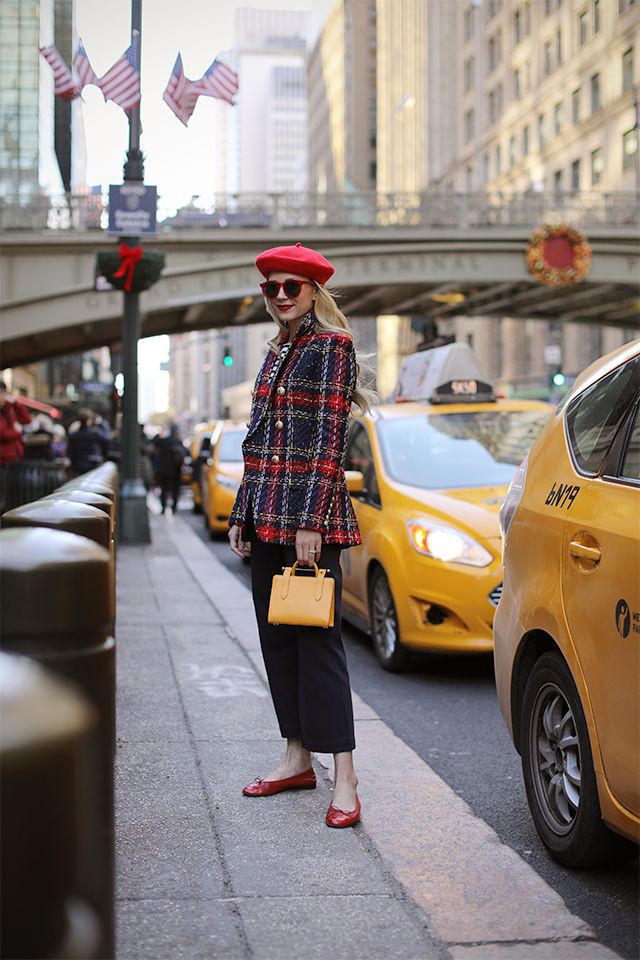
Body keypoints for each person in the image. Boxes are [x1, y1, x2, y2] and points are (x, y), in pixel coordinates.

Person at [228, 242, 371, 829]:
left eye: (292, 287)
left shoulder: (332, 348)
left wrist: (311, 520)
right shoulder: (274, 354)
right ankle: (296, 758)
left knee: (320, 645)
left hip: (309, 522)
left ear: (314, 291)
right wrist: (242, 509)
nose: (282, 296)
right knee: (277, 641)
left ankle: (346, 778)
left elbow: (328, 441)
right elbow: (256, 439)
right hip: (265, 516)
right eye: (273, 288)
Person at [154, 424, 185, 514]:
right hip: (176, 471)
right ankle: (174, 508)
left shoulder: (164, 441)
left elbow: (154, 441)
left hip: (165, 470)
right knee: (175, 490)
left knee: (164, 489)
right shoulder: (178, 441)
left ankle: (163, 508)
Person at [67, 412, 110, 477]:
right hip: (93, 463)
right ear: (88, 421)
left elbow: (70, 451)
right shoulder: (95, 433)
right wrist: (101, 424)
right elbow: (107, 440)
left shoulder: (74, 435)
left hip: (78, 465)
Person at [0, 381, 31, 464]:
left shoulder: (8, 408)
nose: (3, 397)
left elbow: (26, 420)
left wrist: (15, 403)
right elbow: (2, 433)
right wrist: (18, 432)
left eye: (4, 393)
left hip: (15, 455)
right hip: (3, 459)